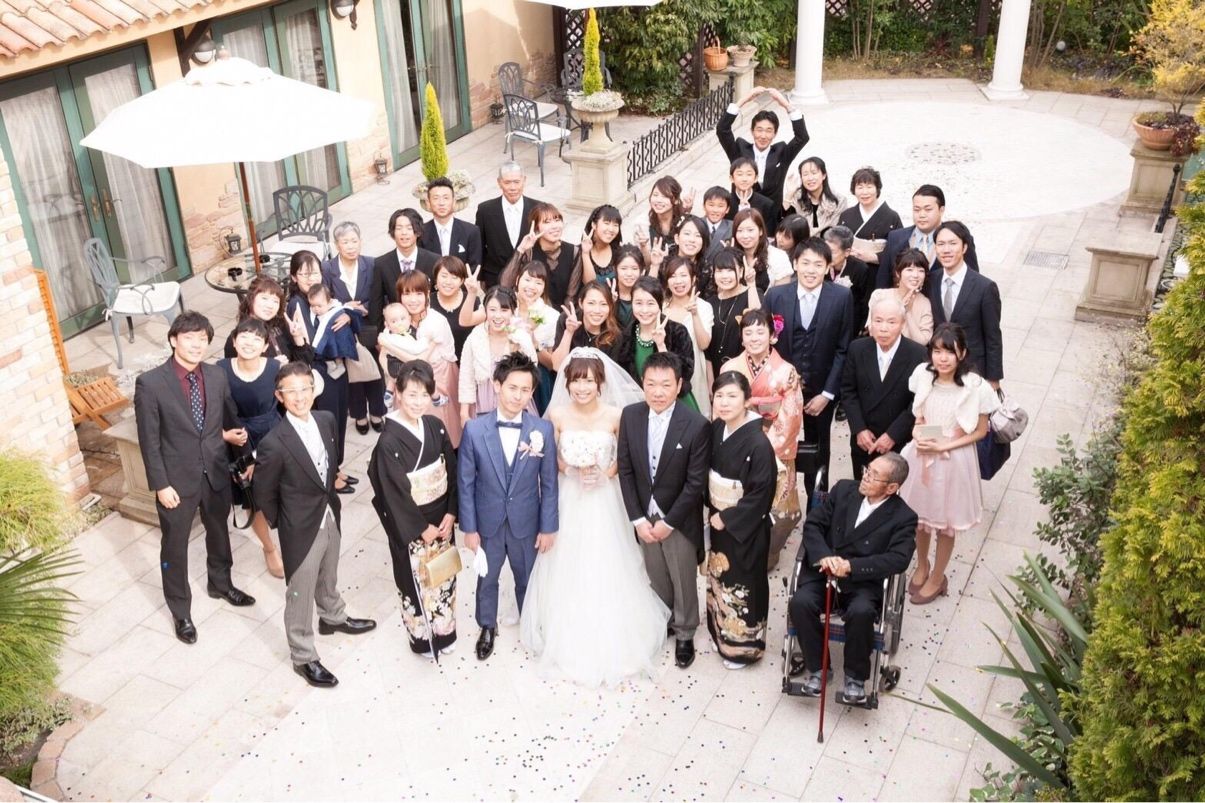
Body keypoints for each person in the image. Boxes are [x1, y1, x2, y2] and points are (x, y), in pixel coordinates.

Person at [520, 349, 669, 686]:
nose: (582, 387)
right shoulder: (557, 415)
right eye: (576, 381)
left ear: (601, 382)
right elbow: (551, 459)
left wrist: (606, 474)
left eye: (588, 380)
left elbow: (625, 459)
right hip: (570, 496)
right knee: (569, 561)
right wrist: (570, 470)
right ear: (567, 383)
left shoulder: (616, 415)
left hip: (605, 497)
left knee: (608, 558)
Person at [252, 362, 378, 687]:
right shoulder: (273, 442)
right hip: (299, 525)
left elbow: (331, 465)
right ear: (279, 396)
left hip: (329, 511)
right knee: (300, 591)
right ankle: (303, 656)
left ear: (313, 389)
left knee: (329, 571)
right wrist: (286, 523)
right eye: (291, 391)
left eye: (305, 389)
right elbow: (263, 493)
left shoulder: (326, 420)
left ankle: (332, 616)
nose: (299, 397)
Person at [135, 311, 256, 644]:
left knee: (219, 531)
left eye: (203, 339)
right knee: (174, 546)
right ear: (174, 340)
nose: (197, 345)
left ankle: (221, 583)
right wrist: (161, 485)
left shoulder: (216, 376)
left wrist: (242, 458)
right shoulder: (151, 384)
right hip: (176, 481)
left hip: (214, 471)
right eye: (189, 338)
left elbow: (225, 421)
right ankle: (181, 611)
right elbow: (149, 440)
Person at [788, 454, 916, 704]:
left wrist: (851, 567)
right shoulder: (843, 490)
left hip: (862, 581)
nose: (865, 477)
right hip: (825, 571)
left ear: (891, 487)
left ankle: (855, 677)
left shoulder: (903, 517)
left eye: (874, 476)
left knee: (862, 612)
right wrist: (824, 556)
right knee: (800, 603)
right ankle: (818, 668)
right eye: (867, 470)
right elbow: (813, 524)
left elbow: (899, 559)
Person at [458, 352, 559, 661]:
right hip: (488, 520)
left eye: (525, 390)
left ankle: (531, 623)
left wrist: (548, 527)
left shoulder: (542, 430)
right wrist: (469, 528)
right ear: (497, 385)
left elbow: (550, 483)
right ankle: (487, 626)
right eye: (512, 387)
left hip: (526, 520)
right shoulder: (475, 429)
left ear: (532, 392)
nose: (518, 396)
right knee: (486, 578)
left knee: (526, 575)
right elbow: (466, 483)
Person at [616, 351, 711, 669]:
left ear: (679, 385)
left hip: (678, 517)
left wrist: (670, 521)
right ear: (642, 383)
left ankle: (685, 631)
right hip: (645, 513)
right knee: (656, 573)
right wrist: (637, 518)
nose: (658, 392)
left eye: (666, 385)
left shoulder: (696, 424)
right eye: (651, 384)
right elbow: (626, 470)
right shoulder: (630, 416)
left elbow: (695, 483)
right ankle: (664, 620)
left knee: (682, 575)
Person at [899, 323, 998, 605]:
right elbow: (920, 418)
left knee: (945, 523)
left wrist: (944, 446)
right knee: (919, 518)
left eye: (950, 352)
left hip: (955, 456)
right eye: (937, 351)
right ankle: (922, 565)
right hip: (924, 451)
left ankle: (937, 576)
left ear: (962, 353)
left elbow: (980, 431)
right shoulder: (923, 375)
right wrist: (919, 434)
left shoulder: (975, 386)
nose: (942, 358)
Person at [367, 360, 459, 657]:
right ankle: (421, 639)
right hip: (413, 524)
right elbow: (392, 494)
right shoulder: (388, 442)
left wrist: (451, 512)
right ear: (397, 392)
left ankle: (445, 632)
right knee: (414, 579)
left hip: (442, 519)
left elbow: (451, 470)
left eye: (424, 395)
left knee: (444, 576)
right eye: (412, 395)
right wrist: (420, 527)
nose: (419, 402)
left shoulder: (435, 426)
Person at [762, 238, 854, 510]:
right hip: (780, 392)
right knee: (775, 447)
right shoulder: (776, 296)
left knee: (819, 452)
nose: (811, 270)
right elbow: (766, 344)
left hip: (820, 391)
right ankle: (776, 507)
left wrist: (827, 394)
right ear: (795, 264)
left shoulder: (841, 298)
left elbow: (843, 348)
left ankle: (818, 510)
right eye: (805, 263)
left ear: (828, 267)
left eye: (818, 264)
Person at [720, 309, 803, 568]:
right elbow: (722, 409)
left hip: (774, 448)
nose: (754, 338)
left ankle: (769, 555)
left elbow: (791, 414)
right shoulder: (730, 367)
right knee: (737, 504)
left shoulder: (786, 371)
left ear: (772, 335)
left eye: (760, 331)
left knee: (780, 512)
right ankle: (740, 552)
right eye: (748, 332)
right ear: (741, 337)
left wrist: (764, 450)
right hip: (740, 445)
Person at [706, 371, 778, 668]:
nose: (724, 402)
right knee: (719, 579)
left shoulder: (758, 444)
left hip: (744, 525)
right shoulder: (717, 429)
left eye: (732, 396)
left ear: (747, 400)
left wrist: (728, 517)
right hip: (717, 517)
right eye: (719, 396)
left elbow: (762, 493)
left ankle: (744, 648)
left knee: (745, 583)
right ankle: (720, 634)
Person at [218, 318, 284, 578]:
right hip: (239, 441)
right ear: (234, 341)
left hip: (272, 436)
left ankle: (291, 539)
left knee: (285, 490)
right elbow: (208, 413)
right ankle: (269, 548)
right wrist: (224, 436)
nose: (249, 343)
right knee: (252, 498)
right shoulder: (220, 370)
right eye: (244, 336)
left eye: (257, 338)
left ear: (265, 345)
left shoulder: (275, 368)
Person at [286, 251, 355, 494]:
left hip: (336, 368)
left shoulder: (323, 295)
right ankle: (329, 473)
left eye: (314, 272)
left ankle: (336, 467)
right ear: (294, 277)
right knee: (326, 423)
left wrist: (346, 316)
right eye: (304, 274)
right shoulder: (297, 303)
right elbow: (309, 344)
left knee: (339, 419)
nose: (310, 278)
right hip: (319, 371)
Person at [841, 295, 927, 481]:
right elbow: (848, 391)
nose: (883, 328)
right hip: (865, 441)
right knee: (864, 486)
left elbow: (917, 402)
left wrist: (892, 435)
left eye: (891, 322)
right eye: (878, 321)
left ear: (902, 324)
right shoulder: (858, 349)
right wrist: (859, 429)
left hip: (899, 440)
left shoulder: (918, 354)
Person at [322, 220, 384, 435]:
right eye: (345, 242)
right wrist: (345, 309)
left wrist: (365, 308)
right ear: (337, 245)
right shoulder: (327, 268)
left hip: (368, 324)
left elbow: (381, 294)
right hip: (341, 328)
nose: (350, 246)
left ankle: (377, 411)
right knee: (353, 373)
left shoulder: (372, 264)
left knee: (373, 368)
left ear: (361, 241)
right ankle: (359, 414)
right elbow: (323, 299)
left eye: (354, 241)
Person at [387, 271, 461, 446]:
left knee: (439, 431)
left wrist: (387, 343)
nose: (413, 300)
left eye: (418, 293)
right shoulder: (397, 320)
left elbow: (420, 361)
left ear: (427, 294)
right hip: (406, 379)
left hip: (438, 377)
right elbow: (384, 357)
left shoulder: (436, 321)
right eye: (407, 293)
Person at [929, 221, 1003, 387]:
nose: (946, 250)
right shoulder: (931, 280)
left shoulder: (985, 287)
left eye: (952, 243)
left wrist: (993, 380)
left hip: (972, 371)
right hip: (939, 371)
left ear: (964, 247)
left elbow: (993, 337)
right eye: (941, 244)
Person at [715, 85, 809, 209]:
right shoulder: (740, 150)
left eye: (769, 131)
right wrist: (744, 100)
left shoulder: (781, 152)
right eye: (759, 130)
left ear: (775, 133)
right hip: (741, 211)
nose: (763, 136)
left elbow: (802, 137)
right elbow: (722, 130)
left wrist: (786, 105)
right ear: (752, 131)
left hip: (771, 213)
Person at [615, 276, 699, 411]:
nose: (644, 310)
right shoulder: (625, 337)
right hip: (642, 407)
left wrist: (661, 345)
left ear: (660, 304)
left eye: (650, 303)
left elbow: (685, 373)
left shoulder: (677, 331)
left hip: (678, 404)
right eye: (638, 303)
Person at [458, 286, 539, 422]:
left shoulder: (521, 338)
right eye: (492, 310)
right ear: (485, 310)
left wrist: (515, 351)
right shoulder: (475, 337)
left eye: (504, 310)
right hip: (483, 403)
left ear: (513, 312)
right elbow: (466, 376)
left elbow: (532, 373)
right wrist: (464, 413)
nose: (497, 316)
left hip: (516, 403)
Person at [876, 184, 980, 290]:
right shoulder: (895, 237)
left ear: (941, 210)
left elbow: (972, 280)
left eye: (928, 209)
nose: (922, 215)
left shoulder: (958, 238)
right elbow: (883, 280)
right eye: (917, 210)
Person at [660, 256, 714, 417]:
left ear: (693, 279)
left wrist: (695, 314)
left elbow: (704, 344)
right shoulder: (660, 307)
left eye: (683, 275)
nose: (678, 281)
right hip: (663, 372)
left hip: (694, 374)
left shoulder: (703, 307)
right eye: (673, 276)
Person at [370, 208, 439, 332]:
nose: (404, 233)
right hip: (396, 330)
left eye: (409, 228)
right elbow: (376, 303)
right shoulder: (381, 264)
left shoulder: (434, 261)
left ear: (418, 232)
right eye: (399, 228)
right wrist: (380, 335)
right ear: (392, 233)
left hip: (429, 327)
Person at [475, 161, 542, 288]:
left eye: (516, 182)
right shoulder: (485, 210)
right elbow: (479, 246)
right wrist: (481, 277)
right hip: (495, 279)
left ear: (524, 180)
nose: (512, 187)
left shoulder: (538, 208)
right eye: (507, 182)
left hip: (529, 279)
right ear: (499, 182)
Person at [222, 275, 312, 364]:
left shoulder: (280, 324)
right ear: (251, 299)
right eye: (264, 298)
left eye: (275, 301)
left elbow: (304, 363)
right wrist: (270, 367)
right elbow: (235, 370)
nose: (270, 305)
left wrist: (297, 337)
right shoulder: (240, 336)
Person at [500, 203, 575, 308]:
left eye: (557, 220)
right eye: (547, 222)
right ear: (536, 227)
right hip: (530, 309)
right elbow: (505, 285)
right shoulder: (529, 251)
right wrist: (521, 249)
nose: (554, 226)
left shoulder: (574, 251)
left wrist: (560, 317)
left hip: (562, 313)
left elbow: (571, 295)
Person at [705, 249, 760, 375]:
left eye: (730, 270)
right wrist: (710, 380)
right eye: (719, 271)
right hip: (716, 372)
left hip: (745, 370)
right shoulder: (710, 303)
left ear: (741, 271)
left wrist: (751, 284)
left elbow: (757, 320)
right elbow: (707, 351)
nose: (724, 276)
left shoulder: (751, 294)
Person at [836, 167, 903, 268]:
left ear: (877, 189)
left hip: (880, 271)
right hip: (851, 271)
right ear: (854, 190)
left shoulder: (892, 217)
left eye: (869, 187)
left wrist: (875, 257)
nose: (865, 192)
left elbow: (900, 250)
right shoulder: (846, 215)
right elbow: (836, 244)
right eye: (860, 187)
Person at [550, 280, 625, 367]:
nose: (597, 310)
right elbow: (557, 366)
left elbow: (611, 372)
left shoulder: (614, 335)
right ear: (581, 303)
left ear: (610, 306)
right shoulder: (568, 319)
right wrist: (569, 332)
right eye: (591, 303)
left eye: (603, 304)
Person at [866, 248, 934, 345]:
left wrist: (907, 312)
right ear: (898, 273)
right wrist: (900, 309)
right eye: (909, 270)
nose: (915, 275)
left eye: (921, 271)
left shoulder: (925, 303)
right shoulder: (879, 296)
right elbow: (873, 332)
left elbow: (922, 342)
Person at [421, 176, 482, 268]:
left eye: (446, 198)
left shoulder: (471, 231)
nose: (441, 203)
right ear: (428, 203)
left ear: (454, 201)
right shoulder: (421, 233)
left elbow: (475, 266)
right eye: (436, 198)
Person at [823, 225, 874, 335]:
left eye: (832, 252)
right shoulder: (820, 265)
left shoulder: (860, 269)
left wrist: (861, 327)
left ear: (847, 252)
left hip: (850, 321)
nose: (827, 255)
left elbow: (864, 301)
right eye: (825, 250)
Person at [732, 208, 792, 295]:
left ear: (760, 231)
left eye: (750, 230)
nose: (745, 236)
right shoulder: (732, 256)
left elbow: (781, 295)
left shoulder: (778, 257)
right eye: (740, 231)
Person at [427, 256, 477, 358]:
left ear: (462, 281)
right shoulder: (427, 302)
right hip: (437, 363)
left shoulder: (472, 300)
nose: (448, 282)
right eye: (444, 276)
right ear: (436, 278)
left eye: (454, 277)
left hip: (468, 360)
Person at [782, 156, 847, 234]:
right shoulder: (796, 198)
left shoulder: (839, 201)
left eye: (814, 173)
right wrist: (789, 194)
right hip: (800, 241)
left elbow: (837, 231)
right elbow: (783, 224)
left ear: (824, 175)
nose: (810, 178)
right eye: (805, 174)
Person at [635, 176, 688, 263]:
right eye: (655, 195)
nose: (659, 200)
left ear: (676, 200)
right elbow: (645, 264)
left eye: (664, 196)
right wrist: (643, 246)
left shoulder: (684, 222)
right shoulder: (642, 224)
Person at [306, 283, 362, 362]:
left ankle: (340, 360)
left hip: (342, 341)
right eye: (312, 306)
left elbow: (350, 311)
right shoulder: (313, 314)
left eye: (319, 306)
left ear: (329, 302)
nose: (316, 309)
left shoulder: (336, 310)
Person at [573, 204, 623, 288]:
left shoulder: (619, 251)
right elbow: (590, 284)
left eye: (615, 225)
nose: (611, 229)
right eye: (606, 223)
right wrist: (585, 253)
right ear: (594, 225)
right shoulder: (577, 252)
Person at [725, 157, 779, 235]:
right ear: (731, 178)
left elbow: (769, 233)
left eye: (749, 174)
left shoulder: (767, 204)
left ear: (756, 178)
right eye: (739, 174)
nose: (744, 179)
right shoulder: (725, 202)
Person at [612, 245, 645, 328]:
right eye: (624, 268)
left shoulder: (646, 294)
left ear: (641, 271)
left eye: (634, 268)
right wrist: (610, 302)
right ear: (615, 269)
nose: (629, 274)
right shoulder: (606, 292)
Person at [701, 186, 734, 260]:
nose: (715, 210)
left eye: (720, 206)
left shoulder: (732, 227)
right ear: (703, 206)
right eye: (711, 205)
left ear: (727, 209)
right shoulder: (696, 224)